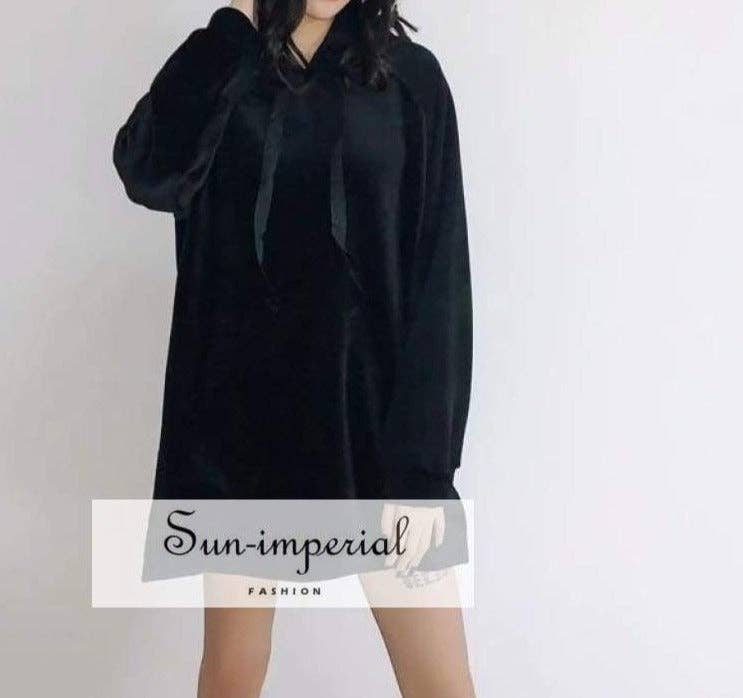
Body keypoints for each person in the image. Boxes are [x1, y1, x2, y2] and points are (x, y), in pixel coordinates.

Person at [113, 1, 475, 696]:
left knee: (442, 683)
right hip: (242, 434)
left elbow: (441, 277)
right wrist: (232, 30)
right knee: (232, 675)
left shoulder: (409, 79)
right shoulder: (226, 63)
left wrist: (424, 468)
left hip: (377, 432)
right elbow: (148, 172)